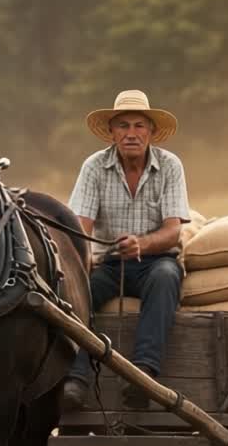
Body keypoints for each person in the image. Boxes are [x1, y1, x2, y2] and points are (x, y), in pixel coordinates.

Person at [61, 90, 191, 411]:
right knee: (80, 294)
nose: (131, 134)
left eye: (138, 126)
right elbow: (81, 229)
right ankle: (76, 379)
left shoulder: (170, 166)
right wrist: (83, 262)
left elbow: (173, 232)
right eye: (122, 126)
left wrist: (141, 244)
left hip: (156, 261)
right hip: (109, 263)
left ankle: (142, 376)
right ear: (111, 132)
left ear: (151, 131)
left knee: (165, 278)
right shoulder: (94, 167)